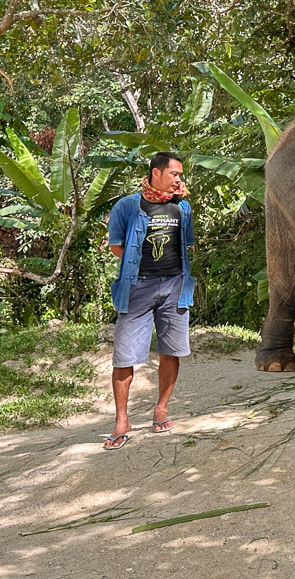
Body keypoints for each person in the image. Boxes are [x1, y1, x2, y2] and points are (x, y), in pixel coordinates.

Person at [104, 152, 196, 450]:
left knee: (171, 351)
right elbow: (116, 246)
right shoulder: (128, 207)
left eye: (181, 175)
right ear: (155, 173)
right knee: (125, 356)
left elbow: (186, 245)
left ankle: (161, 409)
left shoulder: (182, 208)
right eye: (174, 174)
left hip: (175, 287)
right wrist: (139, 265)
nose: (179, 179)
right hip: (137, 288)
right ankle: (121, 421)